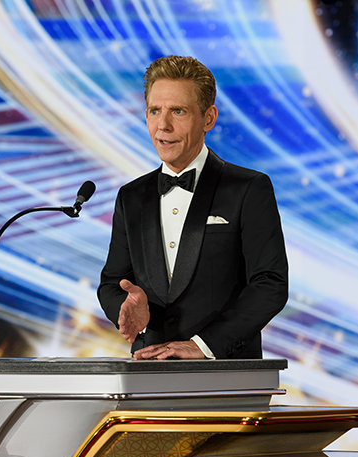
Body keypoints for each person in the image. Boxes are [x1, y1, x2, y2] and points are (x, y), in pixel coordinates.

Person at [97, 55, 288, 360]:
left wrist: (204, 344)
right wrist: (128, 308)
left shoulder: (249, 188)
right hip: (150, 371)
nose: (163, 125)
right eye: (155, 111)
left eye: (178, 111)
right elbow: (111, 283)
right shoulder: (130, 196)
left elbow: (270, 284)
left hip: (228, 373)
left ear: (208, 119)